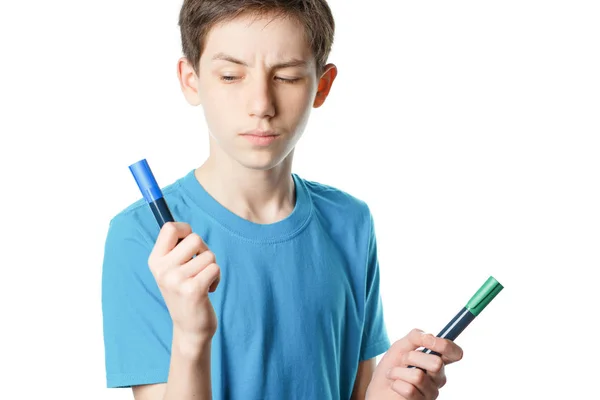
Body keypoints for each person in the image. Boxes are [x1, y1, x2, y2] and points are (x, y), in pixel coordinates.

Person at [101, 1, 464, 399]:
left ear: (321, 86)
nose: (261, 105)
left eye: (287, 77)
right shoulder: (144, 236)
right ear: (191, 80)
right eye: (230, 75)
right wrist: (191, 336)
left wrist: (385, 392)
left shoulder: (351, 222)